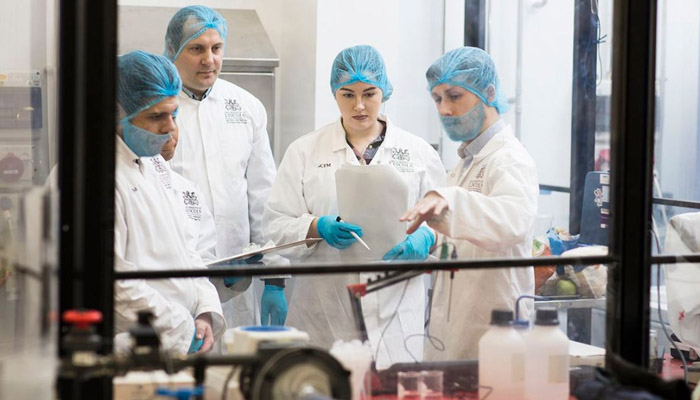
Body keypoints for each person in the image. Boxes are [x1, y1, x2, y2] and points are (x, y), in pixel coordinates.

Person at [263, 45, 446, 368]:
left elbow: (446, 220)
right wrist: (316, 226)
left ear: (384, 92)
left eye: (369, 94)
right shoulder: (305, 151)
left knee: (393, 388)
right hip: (325, 307)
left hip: (397, 304)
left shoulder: (418, 153)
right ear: (335, 94)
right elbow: (276, 223)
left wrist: (427, 238)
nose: (359, 105)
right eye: (347, 95)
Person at [400, 47, 538, 360]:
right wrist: (428, 242)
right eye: (437, 99)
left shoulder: (511, 160)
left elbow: (511, 222)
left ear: (488, 93)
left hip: (495, 332)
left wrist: (447, 200)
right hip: (455, 329)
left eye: (454, 96)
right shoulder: (463, 164)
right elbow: (463, 238)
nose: (444, 109)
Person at [164, 6, 286, 327]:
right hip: (176, 275)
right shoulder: (159, 111)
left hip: (237, 280)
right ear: (173, 52)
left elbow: (263, 196)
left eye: (216, 48)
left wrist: (274, 275)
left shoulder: (246, 107)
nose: (209, 60)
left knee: (233, 369)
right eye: (196, 49)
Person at [114, 50, 225, 354]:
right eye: (155, 116)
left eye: (173, 115)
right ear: (117, 111)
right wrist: (178, 326)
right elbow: (113, 283)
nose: (169, 128)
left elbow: (186, 246)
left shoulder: (154, 164)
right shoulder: (94, 179)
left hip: (178, 335)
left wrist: (202, 308)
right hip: (135, 345)